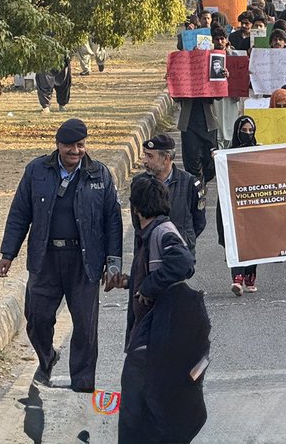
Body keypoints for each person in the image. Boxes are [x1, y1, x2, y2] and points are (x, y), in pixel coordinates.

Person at [0, 118, 123, 392]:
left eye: (81, 145)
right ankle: (47, 357)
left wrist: (113, 263)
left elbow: (112, 221)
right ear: (58, 146)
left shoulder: (99, 174)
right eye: (69, 146)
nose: (76, 151)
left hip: (84, 261)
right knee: (37, 318)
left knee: (85, 326)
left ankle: (82, 380)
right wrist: (8, 252)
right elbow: (20, 213)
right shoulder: (36, 171)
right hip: (46, 259)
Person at [119, 174, 205, 444]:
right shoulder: (153, 232)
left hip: (157, 338)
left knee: (136, 411)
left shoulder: (162, 231)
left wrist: (148, 287)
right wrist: (131, 282)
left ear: (136, 208)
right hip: (155, 337)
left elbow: (183, 263)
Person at [139, 134, 205, 260]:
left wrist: (184, 239)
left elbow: (199, 221)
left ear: (166, 158)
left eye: (150, 156)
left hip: (179, 256)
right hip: (149, 255)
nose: (144, 161)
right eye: (145, 155)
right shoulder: (140, 183)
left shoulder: (190, 183)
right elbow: (137, 221)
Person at [225, 116, 260, 295]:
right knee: (235, 239)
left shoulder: (260, 151)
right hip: (233, 204)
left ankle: (249, 274)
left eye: (250, 131)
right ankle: (237, 278)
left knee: (254, 239)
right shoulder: (226, 154)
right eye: (243, 131)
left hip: (254, 204)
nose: (247, 134)